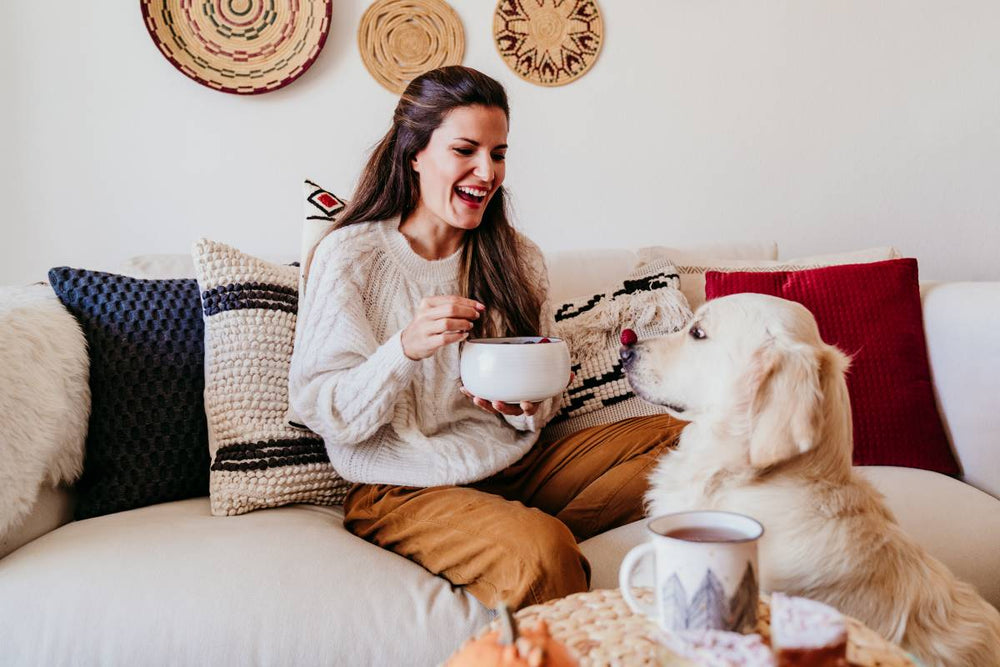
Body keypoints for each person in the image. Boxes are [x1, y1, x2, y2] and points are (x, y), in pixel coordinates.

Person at [289, 65, 683, 611]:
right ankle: (518, 542)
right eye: (466, 150)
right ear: (415, 153)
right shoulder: (351, 257)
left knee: (687, 438)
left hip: (514, 468)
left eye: (498, 154)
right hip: (405, 489)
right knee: (544, 555)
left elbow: (543, 401)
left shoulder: (518, 258)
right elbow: (321, 408)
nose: (487, 171)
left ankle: (502, 529)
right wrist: (403, 349)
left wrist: (524, 408)